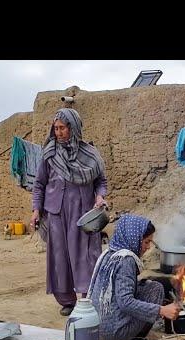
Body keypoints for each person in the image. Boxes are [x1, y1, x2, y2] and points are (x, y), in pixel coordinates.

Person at [31, 108, 107, 316]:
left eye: (62, 128)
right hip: (56, 213)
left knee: (85, 255)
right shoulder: (49, 154)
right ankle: (67, 301)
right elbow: (39, 184)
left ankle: (87, 298)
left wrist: (100, 196)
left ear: (73, 128)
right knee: (60, 257)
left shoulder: (90, 154)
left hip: (83, 214)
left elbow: (101, 181)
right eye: (55, 128)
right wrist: (36, 209)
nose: (58, 132)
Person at [88, 214, 180, 340]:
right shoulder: (126, 260)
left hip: (96, 328)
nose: (148, 247)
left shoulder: (109, 252)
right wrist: (161, 310)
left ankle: (130, 334)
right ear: (134, 238)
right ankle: (135, 339)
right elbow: (125, 302)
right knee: (156, 290)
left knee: (150, 286)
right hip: (113, 335)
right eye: (146, 242)